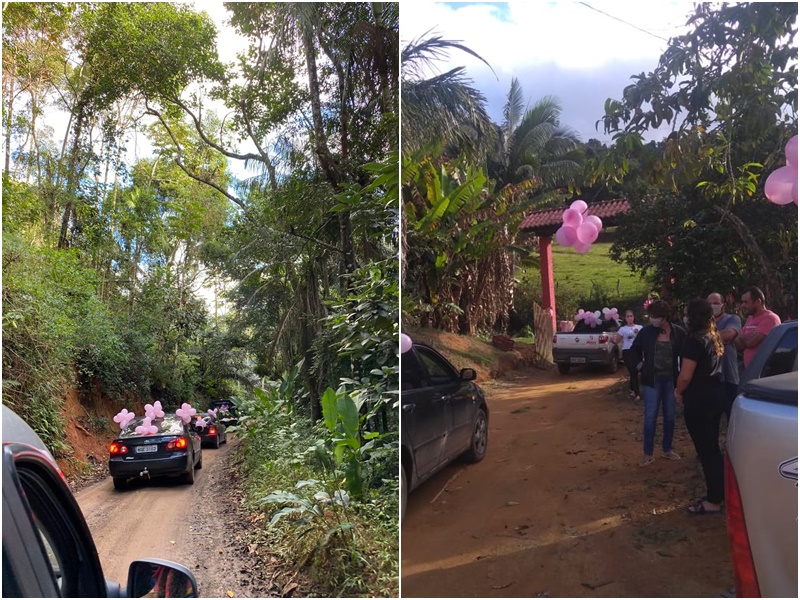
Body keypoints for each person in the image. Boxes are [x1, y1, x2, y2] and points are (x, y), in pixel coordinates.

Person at [675, 298, 726, 515]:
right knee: (713, 449)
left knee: (707, 451)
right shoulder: (713, 337)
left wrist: (678, 391)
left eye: (687, 313)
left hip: (700, 399)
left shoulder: (694, 341)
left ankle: (714, 500)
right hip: (715, 396)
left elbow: (685, 376)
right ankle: (721, 491)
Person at [629, 299, 686, 467]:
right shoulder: (646, 332)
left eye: (655, 316)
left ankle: (667, 449)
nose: (652, 319)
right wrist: (640, 366)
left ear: (664, 317)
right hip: (652, 381)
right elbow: (633, 351)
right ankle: (648, 453)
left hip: (671, 380)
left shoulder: (678, 332)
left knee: (670, 416)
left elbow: (685, 355)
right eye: (651, 316)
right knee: (650, 417)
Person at [707, 292, 742, 420]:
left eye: (716, 303)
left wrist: (704, 337)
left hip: (729, 376)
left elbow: (729, 334)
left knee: (731, 416)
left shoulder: (732, 319)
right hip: (710, 378)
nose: (712, 306)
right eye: (709, 304)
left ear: (723, 305)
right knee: (711, 419)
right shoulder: (703, 321)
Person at [735, 286, 781, 368]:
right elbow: (739, 342)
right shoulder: (750, 318)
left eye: (746, 302)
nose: (743, 305)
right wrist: (743, 341)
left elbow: (750, 343)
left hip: (763, 370)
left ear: (758, 302)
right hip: (749, 368)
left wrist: (743, 340)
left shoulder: (770, 318)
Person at [619, 310, 643, 401]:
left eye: (631, 316)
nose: (630, 318)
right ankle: (637, 394)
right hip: (628, 351)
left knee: (637, 370)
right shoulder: (623, 329)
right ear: (625, 318)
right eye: (628, 316)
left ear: (634, 317)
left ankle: (632, 388)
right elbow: (617, 339)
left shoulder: (640, 327)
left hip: (637, 351)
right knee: (633, 371)